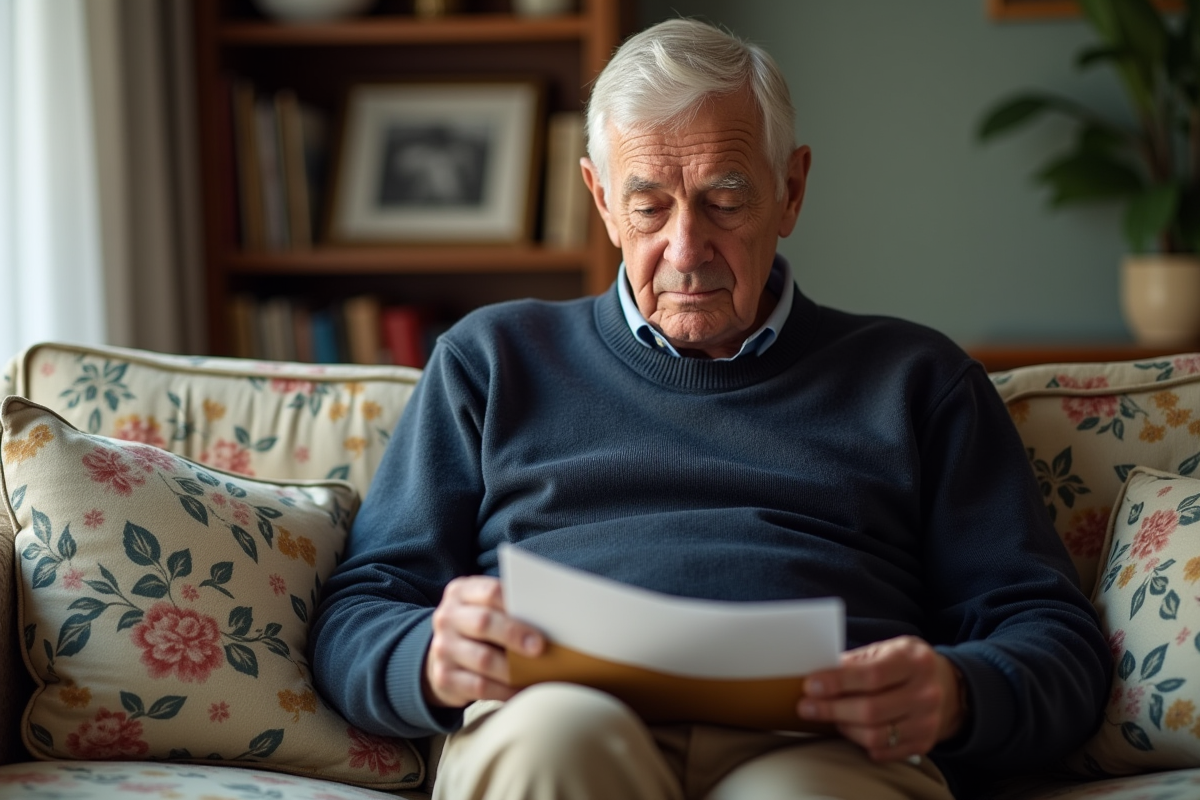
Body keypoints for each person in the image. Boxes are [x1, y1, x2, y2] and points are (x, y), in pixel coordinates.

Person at [309, 17, 1111, 800]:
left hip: (824, 743)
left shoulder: (918, 379)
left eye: (725, 201)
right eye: (650, 205)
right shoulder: (490, 361)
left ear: (790, 190)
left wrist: (957, 690)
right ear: (600, 198)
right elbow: (359, 611)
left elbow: (1056, 643)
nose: (686, 249)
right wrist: (428, 657)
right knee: (555, 743)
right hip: (555, 721)